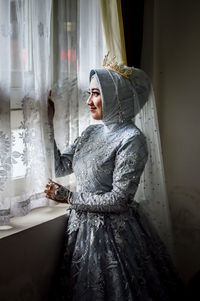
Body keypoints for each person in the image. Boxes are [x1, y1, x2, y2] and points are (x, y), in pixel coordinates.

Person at [45, 58, 183, 300]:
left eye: (95, 94)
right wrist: (47, 124)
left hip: (113, 237)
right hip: (80, 230)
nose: (88, 101)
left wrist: (69, 197)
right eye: (89, 93)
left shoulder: (132, 139)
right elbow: (60, 166)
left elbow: (119, 200)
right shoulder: (91, 132)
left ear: (116, 95)